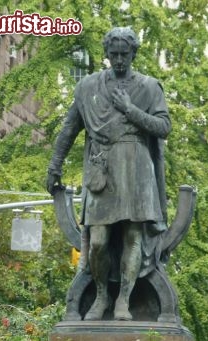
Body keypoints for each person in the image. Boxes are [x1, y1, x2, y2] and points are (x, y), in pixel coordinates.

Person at [47, 27, 171, 321]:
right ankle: (102, 294)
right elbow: (69, 129)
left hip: (136, 168)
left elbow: (163, 127)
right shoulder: (89, 87)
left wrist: (130, 110)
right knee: (99, 240)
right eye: (113, 54)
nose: (118, 60)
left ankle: (124, 301)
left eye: (124, 55)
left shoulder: (149, 87)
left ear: (133, 54)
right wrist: (55, 165)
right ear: (106, 54)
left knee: (132, 236)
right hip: (102, 169)